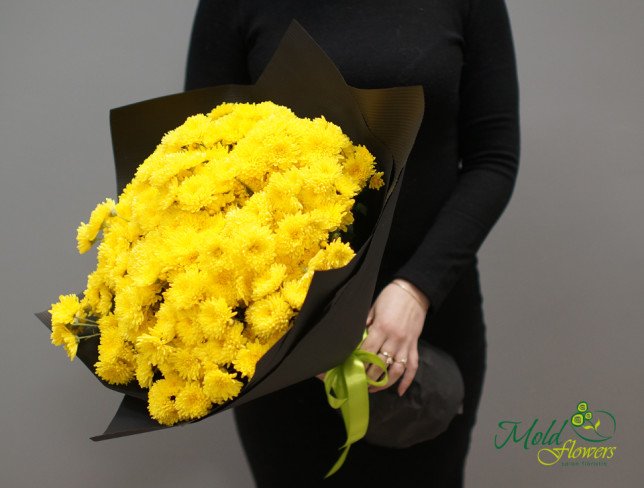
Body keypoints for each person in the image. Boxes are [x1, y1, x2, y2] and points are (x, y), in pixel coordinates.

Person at [185, 0, 520, 486]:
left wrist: (416, 289)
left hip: (423, 325)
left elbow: (494, 158)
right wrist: (303, 317)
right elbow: (201, 163)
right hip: (281, 336)